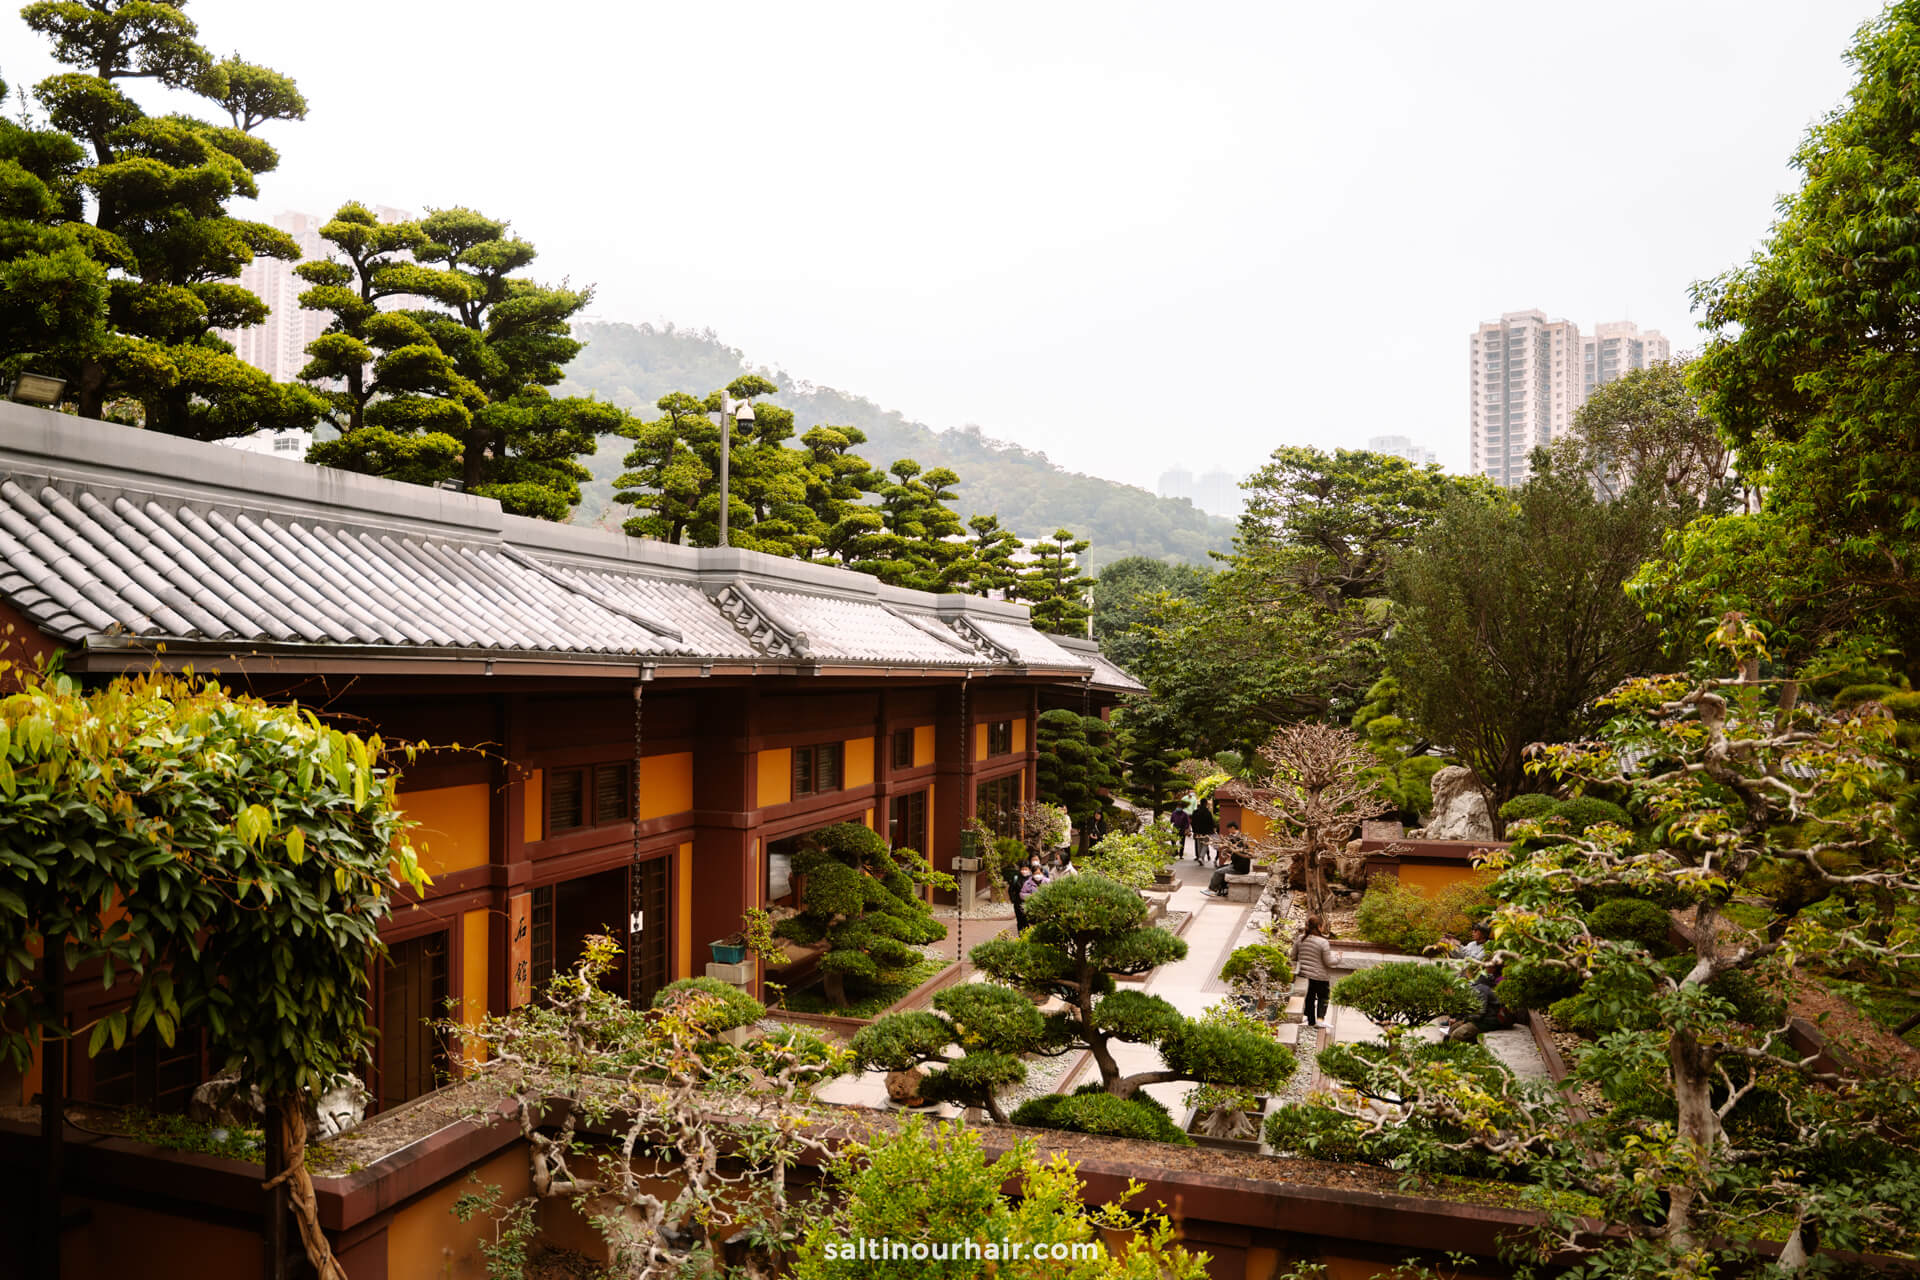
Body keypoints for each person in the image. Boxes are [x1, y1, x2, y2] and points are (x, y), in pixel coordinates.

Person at [1290, 914, 1340, 1029]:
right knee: (1324, 997)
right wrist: (1338, 957)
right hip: (1320, 976)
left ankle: (1311, 1022)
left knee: (1310, 998)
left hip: (1304, 975)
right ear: (1319, 927)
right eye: (1322, 926)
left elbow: (1293, 956)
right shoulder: (1323, 942)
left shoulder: (1300, 939)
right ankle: (1320, 1020)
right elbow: (1329, 962)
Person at [1446, 961, 1512, 1042]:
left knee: (1457, 1035)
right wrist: (1458, 1019)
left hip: (1488, 1021)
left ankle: (1456, 1051)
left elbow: (1479, 1013)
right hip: (1481, 1019)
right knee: (1452, 1028)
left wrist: (1464, 1019)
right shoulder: (1474, 986)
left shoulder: (1480, 988)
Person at [1206, 823, 1251, 896]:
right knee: (1220, 868)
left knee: (1218, 872)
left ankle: (1212, 890)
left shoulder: (1239, 838)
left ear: (1233, 828)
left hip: (1239, 868)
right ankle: (1220, 889)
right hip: (1238, 866)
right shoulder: (1240, 839)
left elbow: (1237, 854)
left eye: (1229, 829)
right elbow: (1236, 853)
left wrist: (1231, 854)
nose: (1229, 831)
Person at [1190, 800, 1217, 865]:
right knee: (1205, 844)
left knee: (1199, 845)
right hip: (1206, 832)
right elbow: (1211, 822)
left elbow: (1192, 822)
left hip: (1198, 832)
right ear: (1205, 804)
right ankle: (1201, 857)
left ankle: (1200, 857)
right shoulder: (1208, 812)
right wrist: (1213, 830)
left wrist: (1194, 831)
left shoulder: (1195, 812)